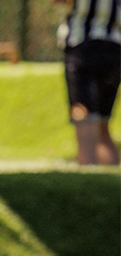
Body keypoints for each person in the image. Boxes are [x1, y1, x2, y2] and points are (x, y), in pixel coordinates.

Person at [54, 0, 121, 165]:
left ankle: (87, 176)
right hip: (114, 49)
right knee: (102, 127)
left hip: (82, 46)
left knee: (84, 120)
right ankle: (112, 186)